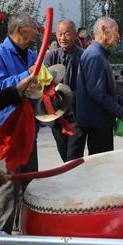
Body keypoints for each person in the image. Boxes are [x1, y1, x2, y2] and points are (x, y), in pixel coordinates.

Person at [0, 14, 39, 245]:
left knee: (28, 180)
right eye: (34, 29)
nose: (37, 33)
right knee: (8, 183)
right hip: (7, 127)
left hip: (28, 124)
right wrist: (26, 77)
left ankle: (26, 229)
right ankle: (3, 234)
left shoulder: (31, 54)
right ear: (20, 30)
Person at [76, 17, 123, 155]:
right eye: (116, 31)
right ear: (104, 30)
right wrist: (121, 112)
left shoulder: (97, 53)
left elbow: (101, 89)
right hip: (97, 122)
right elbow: (97, 93)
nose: (118, 35)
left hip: (98, 120)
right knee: (101, 165)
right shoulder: (95, 56)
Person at [44, 19, 85, 162]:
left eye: (67, 34)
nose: (62, 38)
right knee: (63, 156)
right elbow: (43, 83)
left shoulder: (84, 56)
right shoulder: (51, 56)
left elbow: (87, 87)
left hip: (76, 115)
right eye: (59, 34)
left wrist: (69, 96)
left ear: (75, 35)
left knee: (72, 158)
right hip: (56, 115)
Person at [0, 76, 39, 189]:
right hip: (6, 133)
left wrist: (18, 90)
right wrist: (24, 76)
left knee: (31, 188)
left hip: (27, 129)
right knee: (9, 192)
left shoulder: (31, 57)